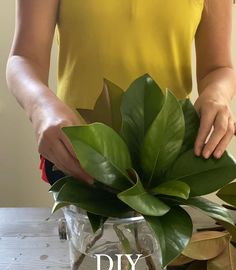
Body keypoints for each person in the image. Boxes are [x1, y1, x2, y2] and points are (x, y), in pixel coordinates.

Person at [6, 0, 236, 186]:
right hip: (79, 153)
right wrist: (41, 107)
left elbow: (218, 68)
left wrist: (216, 95)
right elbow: (24, 57)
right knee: (83, 244)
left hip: (166, 157)